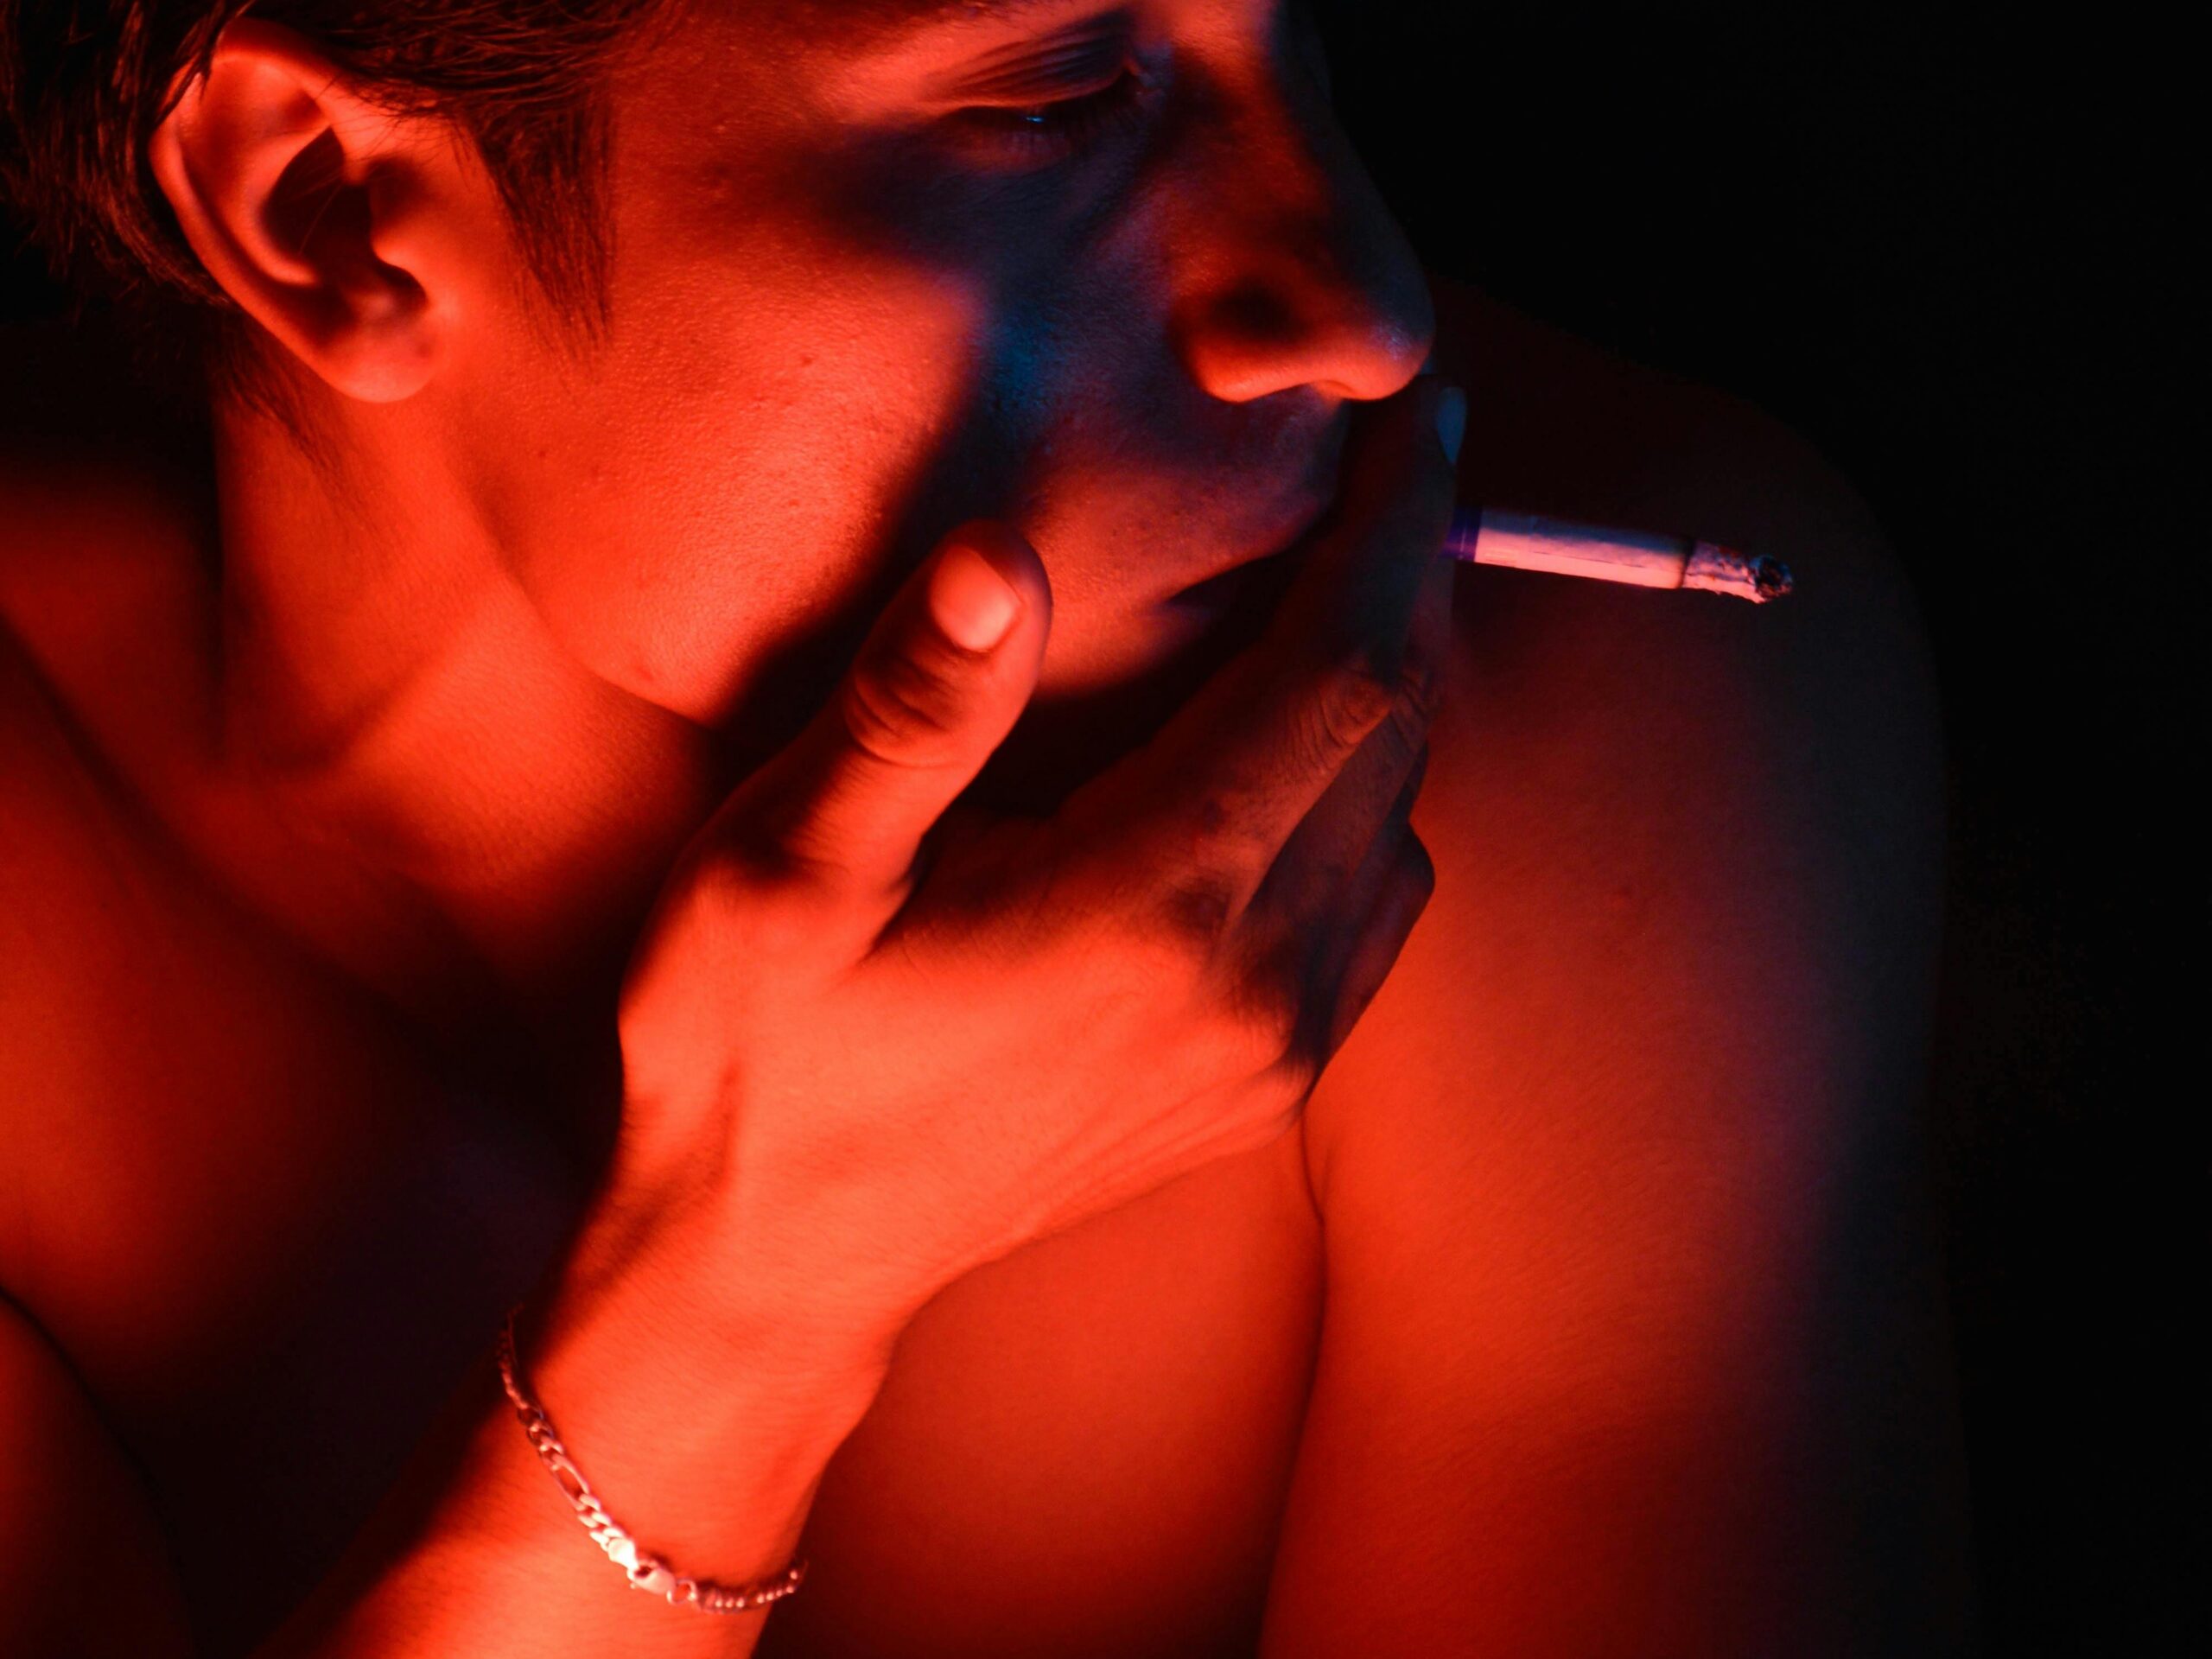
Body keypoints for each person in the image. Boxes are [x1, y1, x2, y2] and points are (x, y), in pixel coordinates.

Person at [0, 2, 1971, 1654]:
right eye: (1049, 104)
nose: (1357, 314)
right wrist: (728, 1333)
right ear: (333, 212)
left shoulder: (1558, 730)